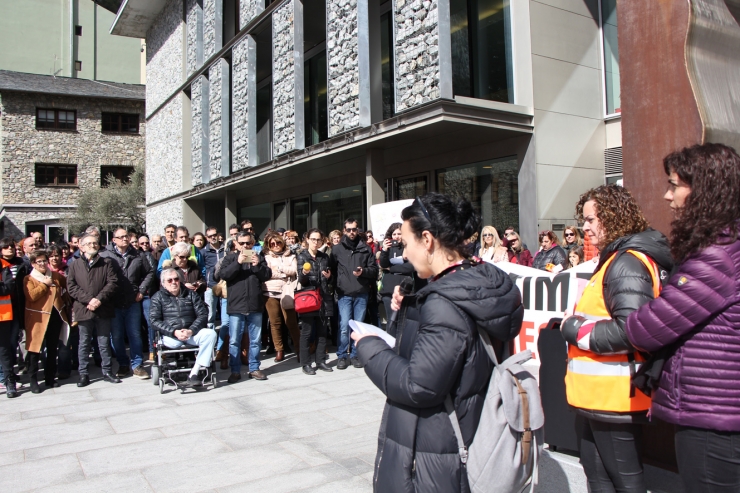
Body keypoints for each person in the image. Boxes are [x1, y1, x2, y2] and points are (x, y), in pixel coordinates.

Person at [351, 193, 523, 492]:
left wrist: (369, 347)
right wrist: (410, 307)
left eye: (406, 244)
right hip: (458, 434)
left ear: (427, 239)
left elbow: (421, 385)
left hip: (435, 449)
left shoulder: (445, 302)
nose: (404, 255)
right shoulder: (474, 281)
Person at [624, 144, 740, 492]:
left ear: (705, 189)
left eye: (674, 185)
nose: (666, 195)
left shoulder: (715, 258)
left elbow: (644, 329)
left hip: (712, 419)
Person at [560, 184, 673, 493]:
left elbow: (633, 329)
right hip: (599, 397)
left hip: (615, 397)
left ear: (613, 217)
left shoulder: (625, 263)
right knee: (599, 478)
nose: (584, 228)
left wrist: (574, 329)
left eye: (590, 219)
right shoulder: (617, 259)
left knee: (624, 481)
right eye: (583, 220)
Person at [214, 231, 271, 383]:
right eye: (242, 243)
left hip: (254, 305)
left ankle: (254, 368)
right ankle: (235, 370)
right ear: (237, 244)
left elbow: (267, 275)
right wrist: (237, 263)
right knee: (234, 340)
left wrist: (257, 265)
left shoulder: (259, 257)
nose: (245, 246)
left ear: (253, 243)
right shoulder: (230, 258)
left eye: (248, 243)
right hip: (236, 305)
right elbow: (224, 275)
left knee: (255, 340)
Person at [67, 233, 121, 386]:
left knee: (103, 342)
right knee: (84, 342)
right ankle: (83, 374)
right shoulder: (74, 265)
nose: (93, 246)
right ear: (81, 247)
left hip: (103, 308)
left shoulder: (106, 263)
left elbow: (112, 283)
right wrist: (89, 300)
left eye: (95, 243)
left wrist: (99, 299)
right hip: (84, 309)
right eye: (89, 243)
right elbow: (71, 287)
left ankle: (107, 371)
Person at [100, 227, 153, 380]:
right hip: (114, 303)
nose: (125, 239)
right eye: (121, 237)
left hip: (132, 301)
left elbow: (149, 273)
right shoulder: (106, 255)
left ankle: (137, 365)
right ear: (114, 240)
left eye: (127, 236)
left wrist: (142, 290)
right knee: (116, 335)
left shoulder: (138, 255)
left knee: (135, 334)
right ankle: (123, 364)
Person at [149, 267, 216, 387]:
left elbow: (202, 315)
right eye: (169, 280)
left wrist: (191, 331)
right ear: (163, 284)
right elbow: (154, 320)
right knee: (174, 344)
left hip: (190, 332)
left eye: (176, 279)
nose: (174, 282)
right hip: (171, 336)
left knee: (211, 334)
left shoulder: (191, 295)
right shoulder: (157, 297)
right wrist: (174, 332)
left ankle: (194, 373)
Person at [23, 250, 73, 393]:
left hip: (55, 316)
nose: (43, 264)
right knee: (35, 350)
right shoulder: (29, 278)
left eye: (44, 261)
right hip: (37, 319)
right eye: (39, 262)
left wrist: (64, 300)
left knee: (52, 349)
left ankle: (50, 378)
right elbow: (31, 296)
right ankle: (33, 380)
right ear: (33, 263)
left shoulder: (56, 276)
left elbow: (68, 287)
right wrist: (45, 285)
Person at [332, 218, 379, 370]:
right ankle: (342, 355)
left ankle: (355, 354)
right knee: (344, 326)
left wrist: (363, 271)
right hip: (344, 293)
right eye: (349, 229)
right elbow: (332, 270)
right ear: (344, 230)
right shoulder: (337, 249)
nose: (352, 232)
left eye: (354, 229)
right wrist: (335, 287)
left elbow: (374, 270)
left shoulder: (365, 248)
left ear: (358, 230)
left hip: (361, 293)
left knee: (358, 327)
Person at [296, 229, 334, 375]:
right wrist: (304, 274)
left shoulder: (324, 257)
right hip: (308, 299)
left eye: (318, 240)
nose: (316, 242)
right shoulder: (302, 256)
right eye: (313, 239)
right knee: (306, 332)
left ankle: (321, 361)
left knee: (322, 331)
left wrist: (329, 276)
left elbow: (329, 278)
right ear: (307, 240)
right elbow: (302, 280)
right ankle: (306, 364)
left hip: (323, 298)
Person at [261, 232, 300, 362]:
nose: (276, 246)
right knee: (275, 323)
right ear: (269, 245)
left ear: (282, 243)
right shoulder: (266, 257)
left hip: (287, 291)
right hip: (270, 292)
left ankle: (299, 349)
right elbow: (267, 273)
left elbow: (294, 271)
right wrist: (283, 273)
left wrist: (278, 268)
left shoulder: (291, 256)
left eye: (278, 243)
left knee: (291, 322)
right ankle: (279, 350)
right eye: (272, 244)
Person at [0, 237, 31, 397]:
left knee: (9, 346)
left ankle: (8, 377)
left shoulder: (20, 264)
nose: (10, 249)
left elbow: (9, 286)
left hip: (10, 311)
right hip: (4, 312)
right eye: (6, 247)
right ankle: (6, 377)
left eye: (11, 246)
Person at [378, 222, 414, 334]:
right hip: (388, 290)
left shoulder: (410, 247)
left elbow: (410, 267)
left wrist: (392, 268)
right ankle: (391, 345)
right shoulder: (388, 248)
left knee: (404, 320)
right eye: (394, 234)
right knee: (392, 320)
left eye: (399, 233)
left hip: (405, 289)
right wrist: (384, 250)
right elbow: (383, 264)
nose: (396, 236)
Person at [201, 227, 228, 334]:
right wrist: (205, 284)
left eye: (214, 235)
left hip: (225, 285)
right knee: (210, 315)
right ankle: (211, 339)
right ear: (207, 238)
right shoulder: (203, 252)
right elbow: (201, 269)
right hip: (211, 286)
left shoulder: (225, 249)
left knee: (225, 315)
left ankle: (224, 339)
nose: (213, 237)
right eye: (210, 236)